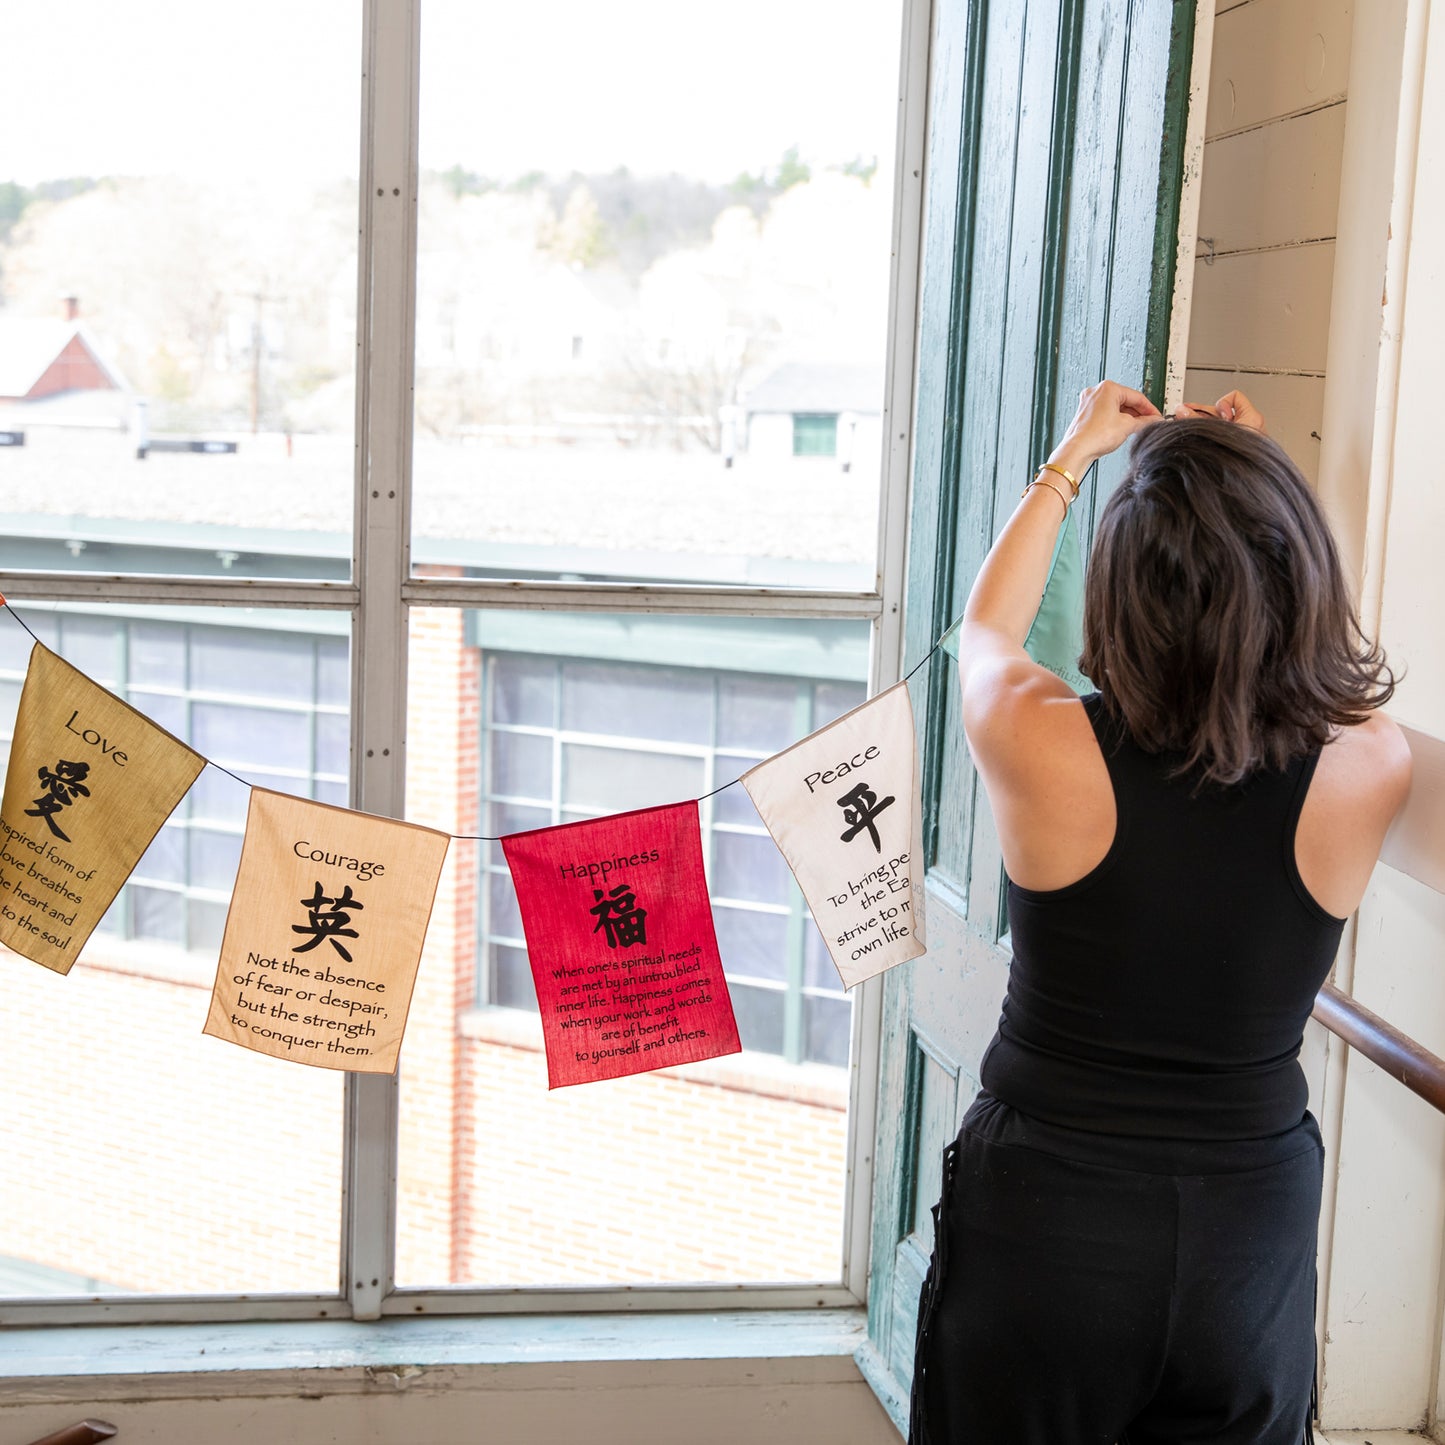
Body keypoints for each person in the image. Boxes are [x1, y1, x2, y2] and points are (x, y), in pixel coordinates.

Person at [909, 382, 1412, 1445]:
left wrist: (1072, 458)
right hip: (1247, 1232)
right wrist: (1245, 499)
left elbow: (982, 628)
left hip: (1048, 1220)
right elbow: (1329, 675)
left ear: (1121, 593)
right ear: (1295, 574)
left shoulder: (1034, 734)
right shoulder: (1369, 767)